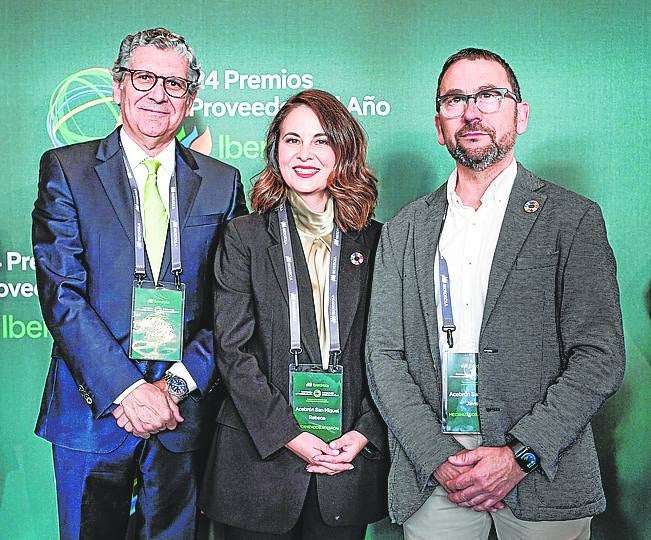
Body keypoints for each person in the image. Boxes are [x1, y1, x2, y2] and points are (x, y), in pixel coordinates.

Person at [365, 48, 625, 539]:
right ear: (439, 123)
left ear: (520, 115)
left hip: (544, 470)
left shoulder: (571, 219)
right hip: (437, 476)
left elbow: (600, 356)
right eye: (455, 99)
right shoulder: (403, 229)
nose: (471, 111)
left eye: (489, 95)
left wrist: (522, 454)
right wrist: (437, 458)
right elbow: (384, 355)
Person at [32, 27, 245, 539]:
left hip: (183, 411)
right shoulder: (67, 169)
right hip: (93, 410)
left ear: (190, 98)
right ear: (118, 85)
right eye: (144, 78)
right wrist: (129, 391)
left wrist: (170, 387)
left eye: (174, 84)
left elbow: (232, 303)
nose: (158, 94)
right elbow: (62, 292)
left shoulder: (223, 181)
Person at [199, 89, 389, 539]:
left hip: (344, 462)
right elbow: (232, 349)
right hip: (257, 461)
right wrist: (292, 435)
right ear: (275, 149)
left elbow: (392, 350)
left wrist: (364, 432)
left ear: (344, 150)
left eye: (321, 141)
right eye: (292, 140)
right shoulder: (243, 236)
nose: (305, 155)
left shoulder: (380, 241)